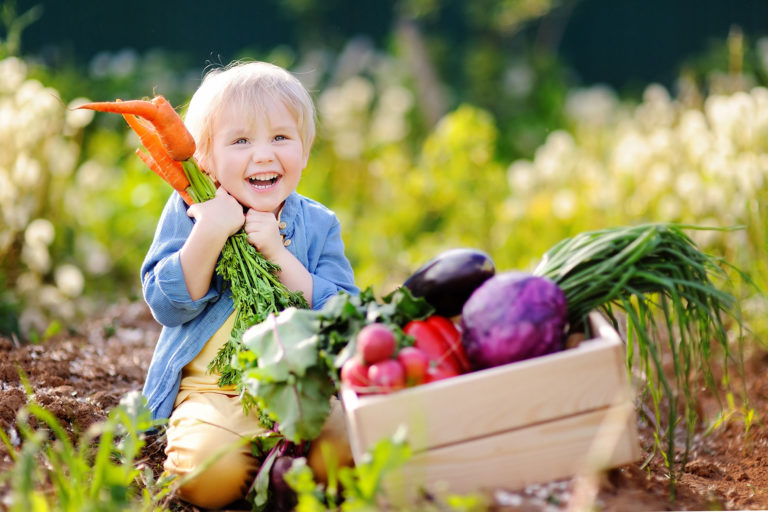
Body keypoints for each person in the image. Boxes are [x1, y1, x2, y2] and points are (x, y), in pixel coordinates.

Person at [139, 61, 359, 509]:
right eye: (240, 141)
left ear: (305, 150)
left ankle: (278, 469)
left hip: (301, 391)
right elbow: (167, 305)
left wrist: (280, 257)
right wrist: (210, 232)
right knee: (206, 475)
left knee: (353, 449)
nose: (263, 155)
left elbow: (346, 318)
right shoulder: (189, 211)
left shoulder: (318, 223)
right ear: (205, 158)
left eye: (281, 137)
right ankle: (260, 470)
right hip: (214, 393)